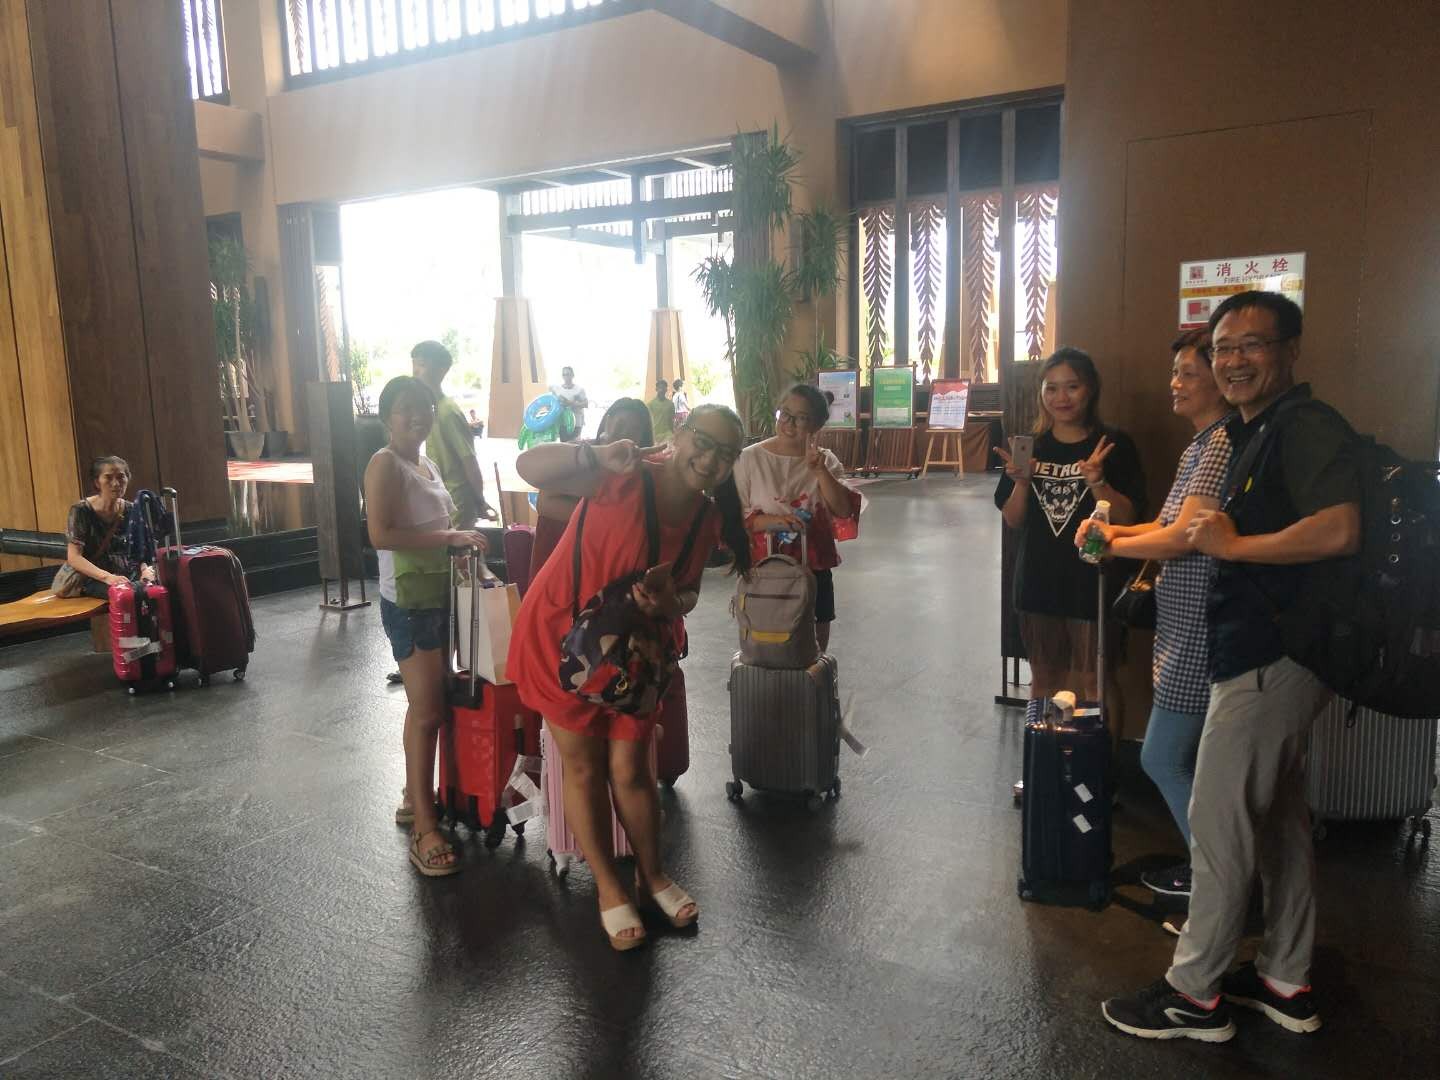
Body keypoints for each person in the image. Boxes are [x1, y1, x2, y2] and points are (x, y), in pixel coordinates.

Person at [1102, 291, 1361, 1043]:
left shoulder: (1304, 426)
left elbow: (1339, 529)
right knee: (1278, 823)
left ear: (1291, 350)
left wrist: (1235, 547)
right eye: (1223, 348)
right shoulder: (1256, 431)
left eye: (1252, 344)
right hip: (1264, 652)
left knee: (1218, 828)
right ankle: (1284, 977)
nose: (1233, 360)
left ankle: (1194, 994)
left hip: (1270, 659)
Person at [508, 405, 752, 950]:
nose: (710, 460)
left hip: (634, 658)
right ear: (679, 434)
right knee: (583, 767)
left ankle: (653, 876)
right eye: (704, 442)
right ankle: (609, 887)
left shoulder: (705, 516)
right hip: (561, 641)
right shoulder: (621, 475)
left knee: (632, 767)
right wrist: (594, 454)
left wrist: (670, 602)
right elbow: (528, 467)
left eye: (726, 453)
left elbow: (688, 591)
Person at [1075, 329, 1231, 906]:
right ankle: (1216, 872)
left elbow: (1183, 538)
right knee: (1192, 761)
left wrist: (1110, 544)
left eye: (1189, 374)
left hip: (1201, 625)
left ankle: (1219, 883)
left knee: (1162, 757)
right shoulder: (1201, 445)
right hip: (1184, 621)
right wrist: (1111, 530)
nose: (1176, 384)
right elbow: (1166, 526)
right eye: (1175, 373)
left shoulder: (1220, 445)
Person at [364, 376, 490, 878]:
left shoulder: (427, 463)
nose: (417, 415)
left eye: (425, 406)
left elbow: (440, 529)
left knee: (429, 705)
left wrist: (461, 545)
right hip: (409, 600)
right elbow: (380, 534)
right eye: (405, 408)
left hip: (438, 594)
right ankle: (424, 828)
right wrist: (450, 536)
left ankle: (413, 797)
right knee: (428, 710)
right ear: (386, 417)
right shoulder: (384, 464)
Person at [993, 347, 1145, 700]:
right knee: (1043, 680)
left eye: (1072, 387)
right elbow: (1013, 520)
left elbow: (1128, 518)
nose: (1061, 398)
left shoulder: (1112, 445)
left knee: (1096, 682)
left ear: (1090, 389)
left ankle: (1097, 741)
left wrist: (1098, 482)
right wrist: (1022, 483)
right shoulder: (1030, 447)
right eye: (1051, 388)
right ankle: (1042, 739)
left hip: (1093, 582)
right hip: (1037, 582)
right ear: (1041, 393)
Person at [387, 341, 497, 685]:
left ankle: (437, 666)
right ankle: (423, 667)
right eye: (414, 362)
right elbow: (381, 534)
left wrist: (478, 500)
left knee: (453, 584)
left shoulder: (446, 413)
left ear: (440, 369)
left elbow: (468, 460)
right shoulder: (387, 461)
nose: (417, 370)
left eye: (423, 364)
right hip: (414, 578)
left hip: (453, 506)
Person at [734, 383, 861, 653]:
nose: (788, 423)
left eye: (801, 418)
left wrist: (820, 472)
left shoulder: (826, 461)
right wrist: (773, 521)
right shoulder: (749, 459)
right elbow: (735, 517)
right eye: (785, 414)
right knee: (766, 639)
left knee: (815, 644)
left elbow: (843, 510)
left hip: (814, 567)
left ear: (817, 425)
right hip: (765, 569)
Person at [531, 397, 654, 584]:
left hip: (604, 562)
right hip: (561, 550)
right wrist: (606, 518)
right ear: (608, 421)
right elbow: (545, 504)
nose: (624, 434)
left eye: (634, 430)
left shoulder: (642, 471)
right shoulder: (580, 453)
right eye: (620, 425)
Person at [52, 456, 156, 600]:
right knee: (126, 595)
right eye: (108, 478)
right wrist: (108, 577)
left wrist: (145, 570)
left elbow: (138, 550)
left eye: (121, 477)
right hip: (92, 578)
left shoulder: (131, 509)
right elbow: (74, 557)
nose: (116, 483)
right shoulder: (81, 510)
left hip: (125, 575)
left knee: (155, 589)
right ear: (97, 482)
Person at [550, 366, 589, 440]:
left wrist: (570, 403)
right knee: (564, 444)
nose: (566, 377)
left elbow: (586, 404)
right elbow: (552, 404)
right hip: (562, 422)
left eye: (568, 374)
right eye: (564, 374)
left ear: (572, 375)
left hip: (576, 423)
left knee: (574, 444)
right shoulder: (558, 389)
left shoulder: (579, 389)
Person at [647, 379, 675, 444]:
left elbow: (671, 420)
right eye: (660, 388)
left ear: (666, 389)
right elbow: (648, 422)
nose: (661, 390)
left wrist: (673, 432)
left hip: (667, 434)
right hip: (655, 434)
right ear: (656, 389)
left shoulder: (670, 404)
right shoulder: (650, 404)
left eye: (663, 388)